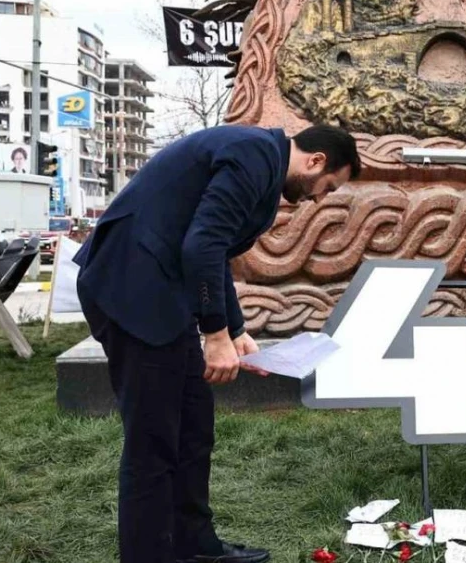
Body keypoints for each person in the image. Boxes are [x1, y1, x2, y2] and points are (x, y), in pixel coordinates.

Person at [74, 124, 361, 563]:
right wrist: (214, 334)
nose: (319, 198)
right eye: (327, 188)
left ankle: (195, 544)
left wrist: (236, 329)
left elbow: (214, 248)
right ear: (316, 161)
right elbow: (202, 245)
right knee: (154, 441)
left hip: (157, 289)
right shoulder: (253, 156)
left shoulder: (259, 157)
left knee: (193, 428)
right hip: (131, 288)